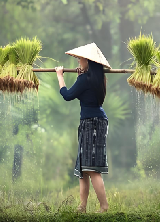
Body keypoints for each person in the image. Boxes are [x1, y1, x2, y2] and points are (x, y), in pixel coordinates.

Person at [55, 43, 111, 213]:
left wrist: (60, 75)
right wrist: (81, 75)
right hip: (96, 121)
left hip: (91, 123)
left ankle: (104, 206)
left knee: (91, 169)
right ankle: (82, 207)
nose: (78, 61)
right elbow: (87, 91)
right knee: (83, 168)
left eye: (80, 59)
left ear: (88, 61)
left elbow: (67, 95)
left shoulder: (85, 80)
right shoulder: (98, 78)